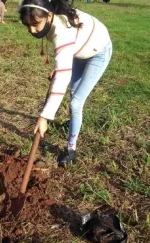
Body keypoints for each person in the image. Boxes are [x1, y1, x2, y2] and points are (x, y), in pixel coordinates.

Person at [19, 0, 112, 167]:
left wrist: (45, 116)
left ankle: (71, 150)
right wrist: (61, 66)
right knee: (72, 96)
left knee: (76, 103)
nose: (32, 30)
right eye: (27, 25)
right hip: (78, 52)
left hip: (98, 52)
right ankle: (73, 123)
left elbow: (62, 77)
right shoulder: (50, 19)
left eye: (35, 24)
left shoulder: (61, 30)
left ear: (48, 16)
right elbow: (64, 54)